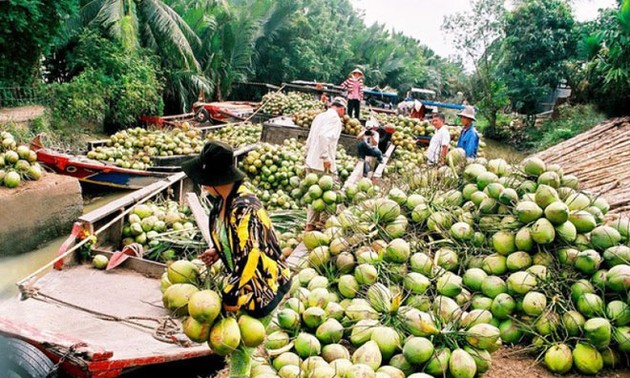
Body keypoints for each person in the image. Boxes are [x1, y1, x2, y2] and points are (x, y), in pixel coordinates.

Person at [181, 141, 292, 376]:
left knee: (240, 347)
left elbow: (250, 256)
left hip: (264, 284)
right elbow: (235, 240)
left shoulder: (246, 208)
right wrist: (219, 251)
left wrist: (231, 294)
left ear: (212, 178)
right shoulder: (223, 200)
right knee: (238, 342)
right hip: (244, 283)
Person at [304, 97, 346, 231]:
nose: (344, 114)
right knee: (330, 194)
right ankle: (323, 223)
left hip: (311, 161)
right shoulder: (335, 119)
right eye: (344, 111)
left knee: (314, 195)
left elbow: (310, 138)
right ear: (341, 108)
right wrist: (325, 157)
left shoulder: (319, 116)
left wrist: (307, 154)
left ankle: (310, 224)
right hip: (322, 163)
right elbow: (323, 136)